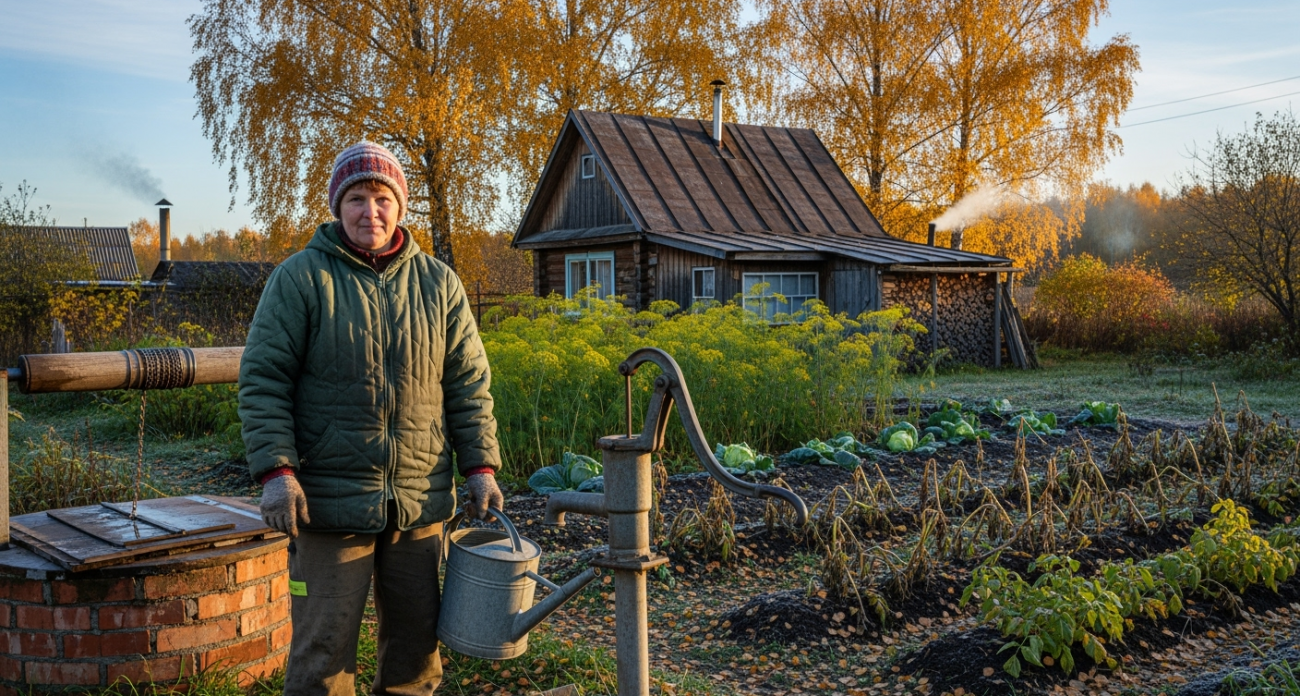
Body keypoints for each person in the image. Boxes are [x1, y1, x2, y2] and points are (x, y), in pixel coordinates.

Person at [238, 141, 504, 696]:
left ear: (400, 206)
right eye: (357, 198)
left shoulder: (439, 284)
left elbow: (468, 385)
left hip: (418, 499)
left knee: (415, 651)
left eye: (382, 198)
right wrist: (277, 472)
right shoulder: (301, 279)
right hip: (329, 502)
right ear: (338, 206)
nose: (370, 212)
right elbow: (264, 381)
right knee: (322, 652)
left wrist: (480, 465)